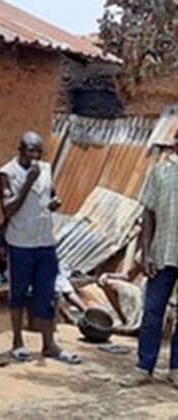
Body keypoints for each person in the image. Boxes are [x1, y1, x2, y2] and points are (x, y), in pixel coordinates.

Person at [0, 131, 80, 364]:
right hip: (21, 243)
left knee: (47, 293)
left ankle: (49, 344)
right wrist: (27, 183)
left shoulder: (45, 168)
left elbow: (51, 194)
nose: (34, 155)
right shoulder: (7, 173)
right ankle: (17, 341)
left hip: (45, 242)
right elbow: (8, 209)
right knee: (19, 293)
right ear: (20, 149)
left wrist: (55, 203)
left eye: (38, 151)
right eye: (30, 150)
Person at [121, 130, 178, 387]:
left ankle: (176, 370)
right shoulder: (160, 172)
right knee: (152, 312)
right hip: (162, 254)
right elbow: (148, 214)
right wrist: (145, 252)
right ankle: (144, 367)